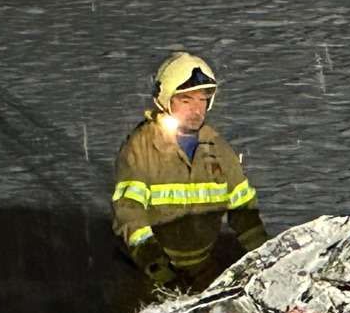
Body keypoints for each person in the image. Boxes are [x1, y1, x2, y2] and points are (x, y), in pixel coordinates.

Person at [111, 50, 269, 291]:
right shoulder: (141, 148)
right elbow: (129, 215)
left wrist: (266, 258)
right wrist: (158, 268)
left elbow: (244, 211)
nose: (196, 110)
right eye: (186, 100)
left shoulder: (217, 148)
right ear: (166, 100)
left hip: (204, 268)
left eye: (202, 100)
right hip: (149, 273)